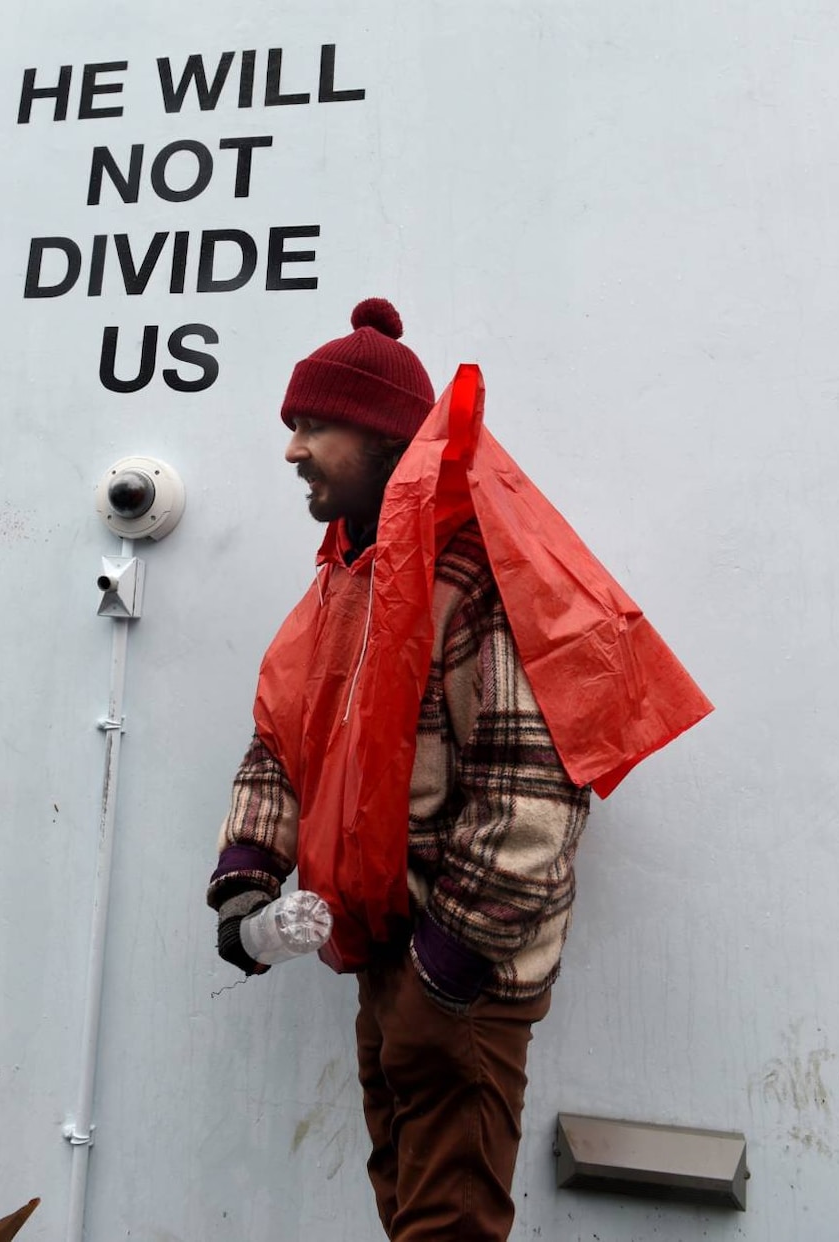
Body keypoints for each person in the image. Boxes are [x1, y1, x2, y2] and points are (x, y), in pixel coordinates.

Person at [207, 296, 592, 1241]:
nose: (291, 450)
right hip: (390, 963)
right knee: (409, 1216)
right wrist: (244, 890)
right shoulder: (351, 576)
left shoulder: (477, 579)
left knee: (445, 1228)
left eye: (313, 425)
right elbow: (285, 741)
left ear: (383, 435)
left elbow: (534, 791)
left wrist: (443, 971)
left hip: (462, 981)